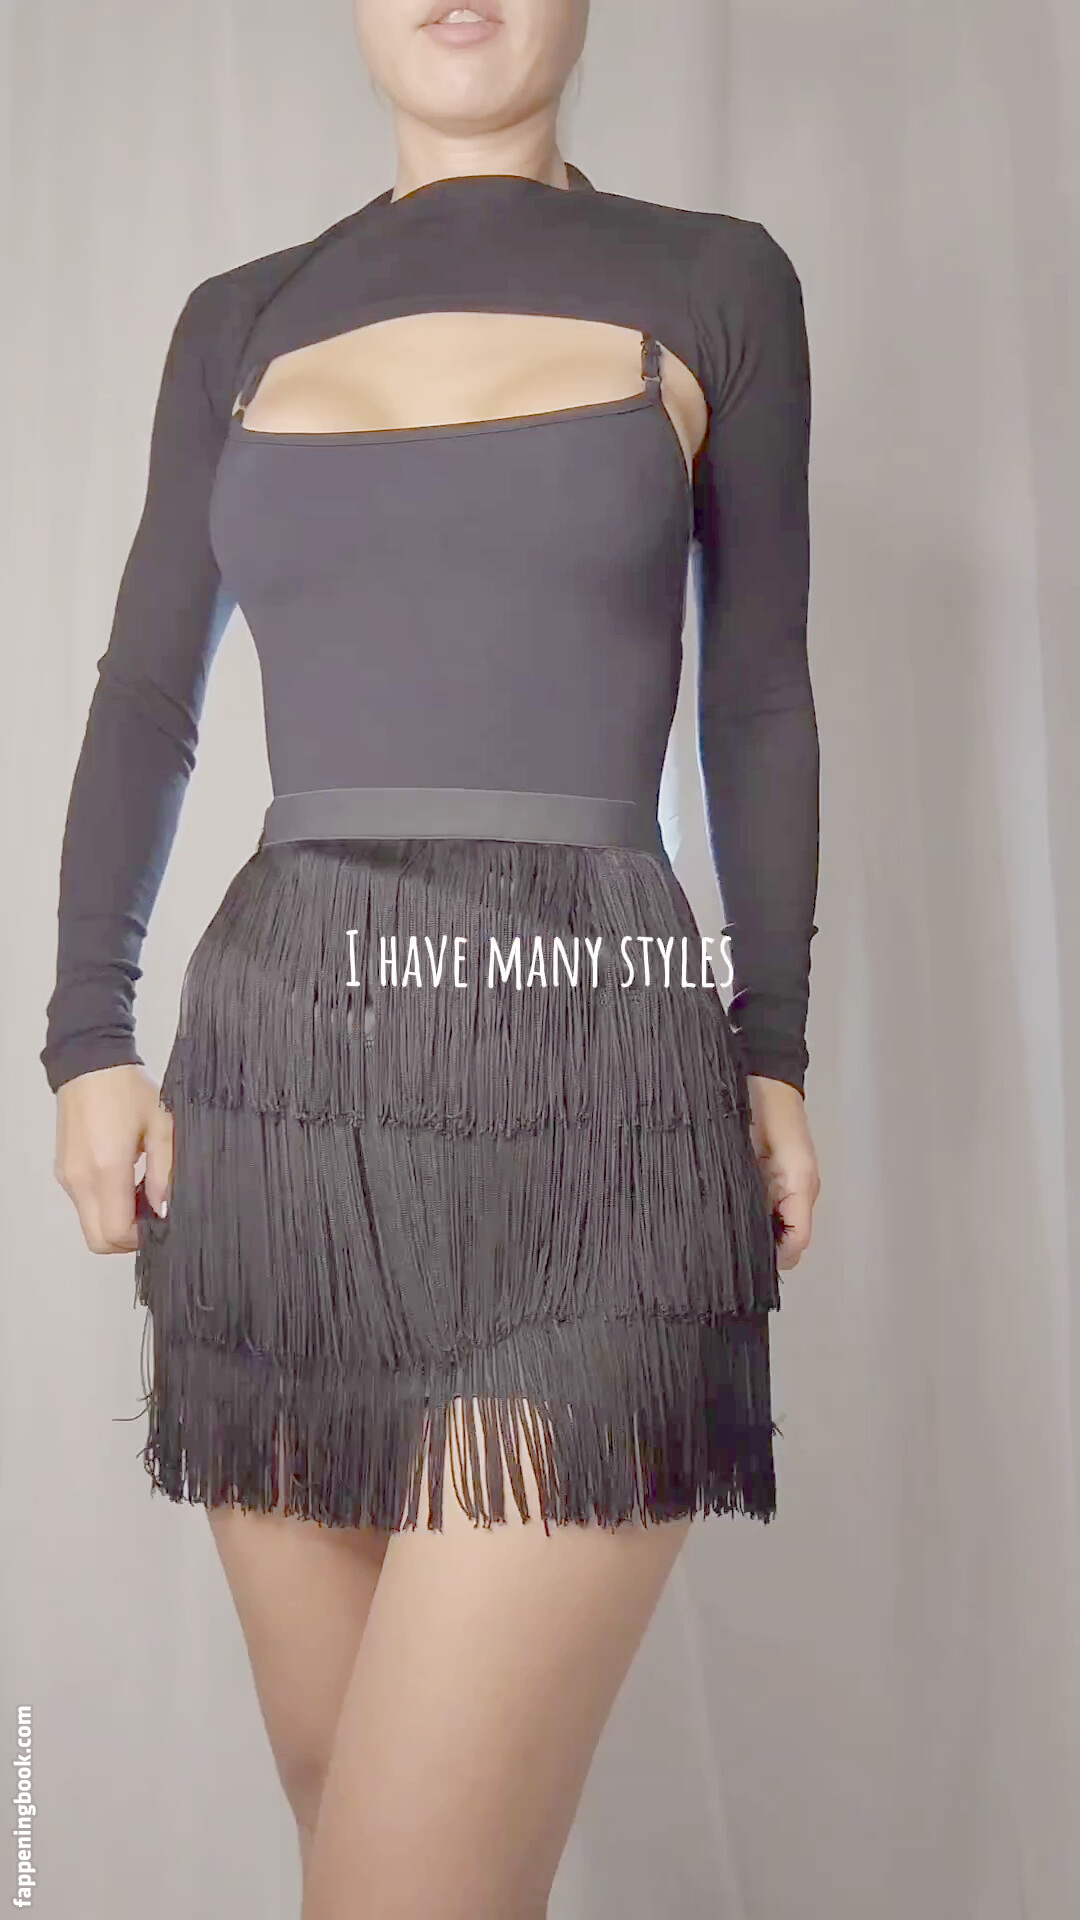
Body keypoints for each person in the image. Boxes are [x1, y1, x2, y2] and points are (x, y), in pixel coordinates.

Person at [44, 1, 822, 1913]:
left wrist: (776, 1042)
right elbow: (148, 694)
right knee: (350, 1824)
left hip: (600, 1102)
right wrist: (86, 1034)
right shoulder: (241, 320)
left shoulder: (715, 283)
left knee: (409, 1884)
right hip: (281, 1114)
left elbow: (757, 700)